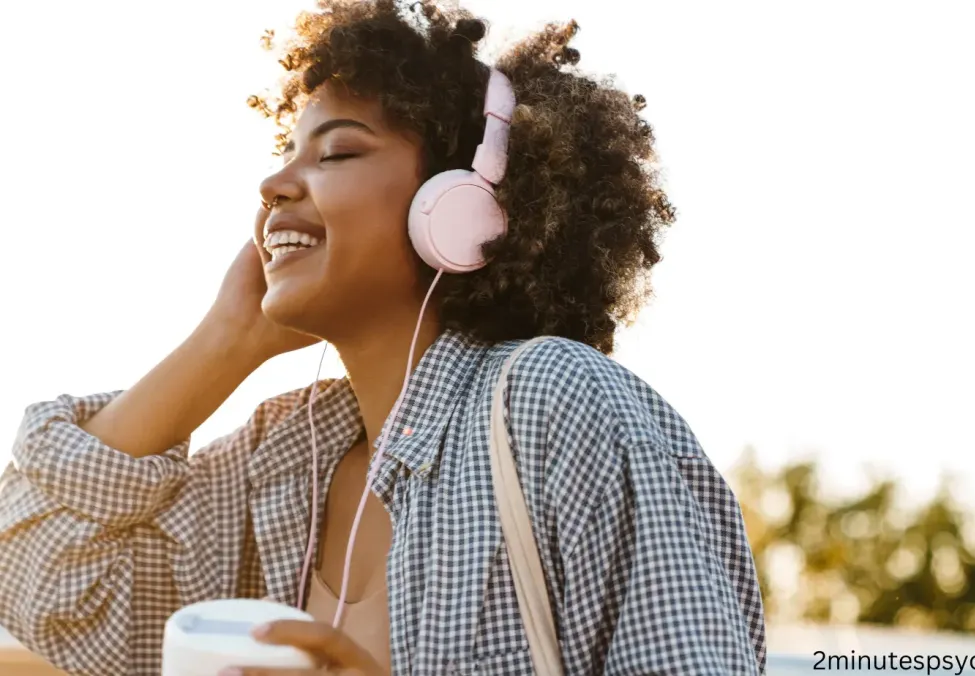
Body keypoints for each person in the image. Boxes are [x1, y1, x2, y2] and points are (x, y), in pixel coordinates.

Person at [0, 1, 766, 674]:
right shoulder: (282, 454)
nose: (274, 185)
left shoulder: (555, 405)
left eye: (336, 151)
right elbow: (41, 575)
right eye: (287, 152)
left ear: (461, 208)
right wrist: (224, 341)